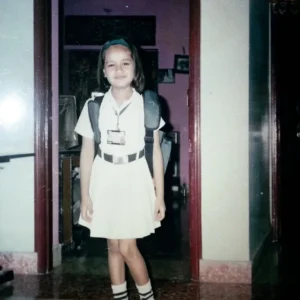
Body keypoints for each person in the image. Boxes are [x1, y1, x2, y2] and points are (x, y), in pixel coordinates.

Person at [74, 38, 166, 300]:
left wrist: (159, 196)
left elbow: (156, 153)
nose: (119, 69)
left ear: (135, 68)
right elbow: (87, 152)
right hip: (104, 179)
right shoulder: (94, 106)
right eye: (111, 65)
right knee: (112, 245)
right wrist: (86, 196)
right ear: (103, 71)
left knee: (127, 247)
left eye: (125, 63)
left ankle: (148, 297)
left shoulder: (148, 105)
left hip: (135, 178)